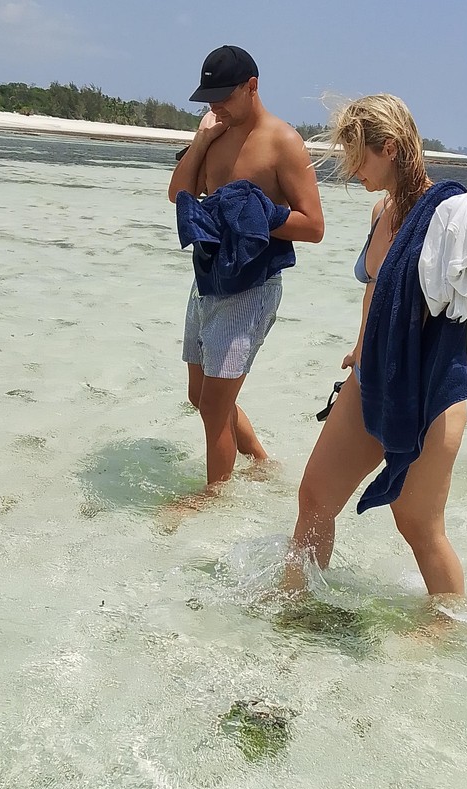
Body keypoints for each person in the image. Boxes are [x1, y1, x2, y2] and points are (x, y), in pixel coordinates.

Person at [284, 94, 467, 605]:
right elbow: (377, 288)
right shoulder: (382, 210)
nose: (353, 171)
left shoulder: (449, 218)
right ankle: (295, 605)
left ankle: (448, 626)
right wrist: (360, 343)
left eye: (358, 157)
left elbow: (462, 300)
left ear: (388, 147)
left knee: (417, 522)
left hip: (428, 387)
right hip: (372, 376)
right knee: (315, 497)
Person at [168, 45, 324, 493]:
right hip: (208, 279)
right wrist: (200, 141)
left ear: (251, 86)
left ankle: (212, 498)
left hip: (252, 287)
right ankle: (259, 461)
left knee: (214, 408)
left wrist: (259, 214)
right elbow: (178, 193)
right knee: (199, 396)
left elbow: (314, 226)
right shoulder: (216, 134)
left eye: (222, 96)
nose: (214, 106)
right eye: (208, 99)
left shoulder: (283, 142)